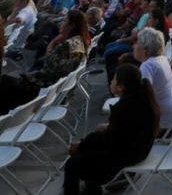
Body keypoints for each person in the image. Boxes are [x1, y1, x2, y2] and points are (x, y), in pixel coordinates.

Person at [63, 63, 159, 195]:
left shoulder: (125, 108)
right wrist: (104, 130)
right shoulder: (142, 100)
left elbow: (110, 142)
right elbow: (122, 133)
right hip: (139, 150)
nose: (111, 81)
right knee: (94, 139)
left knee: (72, 164)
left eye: (113, 79)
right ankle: (92, 190)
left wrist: (82, 145)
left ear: (121, 87)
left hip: (126, 156)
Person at [0, 10, 88, 116]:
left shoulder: (67, 45)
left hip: (45, 91)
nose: (61, 24)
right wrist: (52, 43)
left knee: (7, 80)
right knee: (18, 75)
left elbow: (47, 75)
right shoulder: (78, 41)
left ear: (72, 26)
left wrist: (28, 75)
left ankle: (0, 116)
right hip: (58, 89)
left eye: (64, 21)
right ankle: (4, 115)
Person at [133, 28, 172, 131]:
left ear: (145, 49)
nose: (134, 46)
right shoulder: (161, 59)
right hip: (171, 116)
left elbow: (142, 96)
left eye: (137, 43)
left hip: (161, 121)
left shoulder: (148, 66)